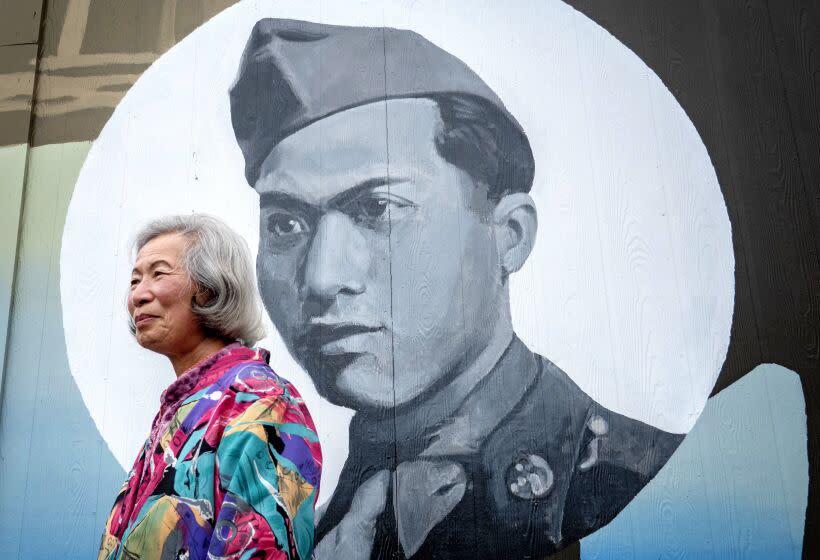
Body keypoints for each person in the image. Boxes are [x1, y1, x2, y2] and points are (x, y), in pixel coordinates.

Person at [229, 18, 683, 559]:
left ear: (509, 236)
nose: (323, 278)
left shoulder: (652, 486)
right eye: (286, 225)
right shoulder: (321, 529)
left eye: (378, 208)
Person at [97, 214, 322, 560]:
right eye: (134, 280)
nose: (138, 296)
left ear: (209, 287)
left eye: (159, 273)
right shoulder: (184, 408)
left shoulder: (258, 400)